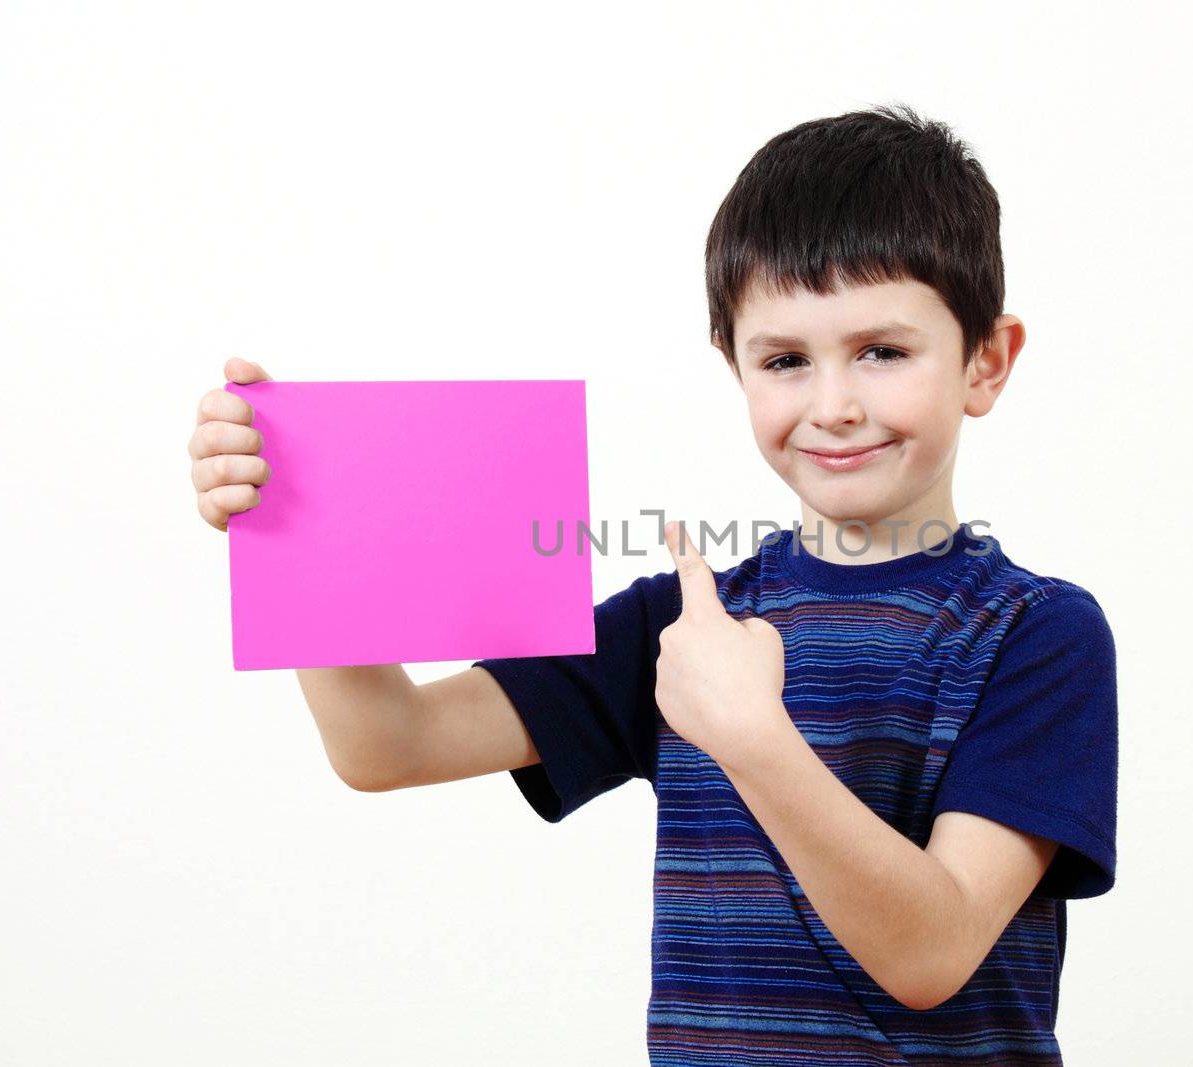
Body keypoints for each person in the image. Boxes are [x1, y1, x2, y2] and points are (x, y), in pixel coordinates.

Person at [187, 101, 1118, 1066]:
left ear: (986, 361)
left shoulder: (1036, 634)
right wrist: (298, 533)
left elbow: (931, 951)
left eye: (883, 351)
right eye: (786, 360)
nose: (835, 405)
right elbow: (389, 741)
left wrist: (753, 737)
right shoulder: (683, 624)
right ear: (736, 368)